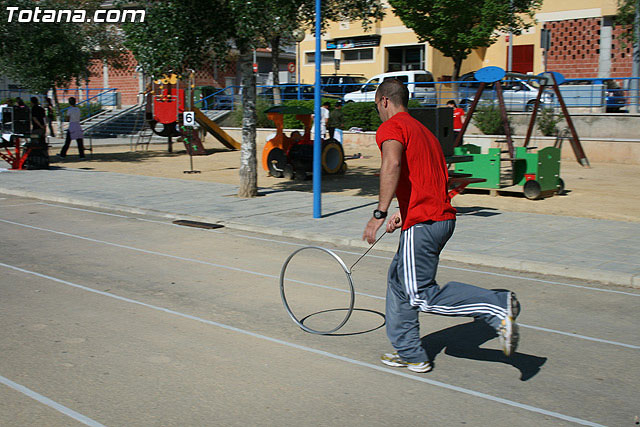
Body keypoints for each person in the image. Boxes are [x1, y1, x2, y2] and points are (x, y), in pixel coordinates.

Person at [363, 78, 520, 373]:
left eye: (377, 107)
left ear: (384, 101)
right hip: (436, 219)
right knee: (399, 283)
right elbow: (429, 179)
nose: (379, 113)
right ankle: (410, 353)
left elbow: (391, 164)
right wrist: (403, 212)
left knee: (420, 294)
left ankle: (496, 304)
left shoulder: (392, 127)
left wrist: (379, 213)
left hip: (425, 223)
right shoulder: (425, 132)